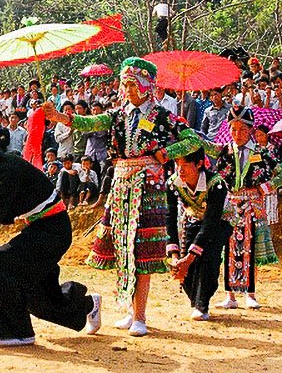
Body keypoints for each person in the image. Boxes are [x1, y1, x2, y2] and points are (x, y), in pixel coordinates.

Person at [43, 57, 201, 337]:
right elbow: (90, 121)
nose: (126, 89)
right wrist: (60, 117)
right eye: (124, 84)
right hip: (121, 184)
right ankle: (129, 311)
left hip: (149, 186)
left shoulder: (164, 116)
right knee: (124, 247)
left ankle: (140, 315)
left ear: (145, 86)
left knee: (141, 249)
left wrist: (167, 154)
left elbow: (193, 141)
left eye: (131, 84)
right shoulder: (119, 114)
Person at [0, 114, 101, 346]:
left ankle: (16, 332)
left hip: (53, 230)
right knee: (36, 296)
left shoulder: (9, 169)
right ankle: (87, 305)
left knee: (0, 262)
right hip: (37, 229)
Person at [215, 107, 282, 309]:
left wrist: (264, 187)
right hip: (231, 205)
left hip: (253, 205)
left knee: (252, 249)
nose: (237, 134)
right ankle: (230, 295)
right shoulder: (225, 150)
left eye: (241, 130)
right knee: (228, 250)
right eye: (233, 129)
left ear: (250, 130)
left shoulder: (262, 152)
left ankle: (251, 293)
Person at [165, 131, 233, 321]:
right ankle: (195, 300)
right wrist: (175, 253)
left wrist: (190, 256)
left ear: (200, 164)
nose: (181, 171)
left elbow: (212, 222)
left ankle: (202, 304)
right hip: (194, 219)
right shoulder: (172, 184)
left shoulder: (216, 184)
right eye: (178, 166)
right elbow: (170, 215)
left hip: (220, 222)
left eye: (186, 166)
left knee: (207, 258)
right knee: (187, 263)